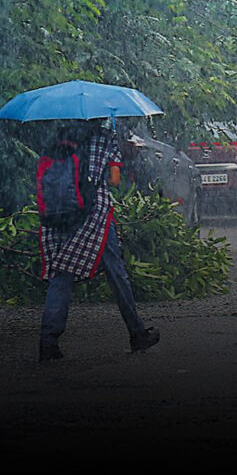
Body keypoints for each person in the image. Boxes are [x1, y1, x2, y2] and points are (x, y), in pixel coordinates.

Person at [38, 120, 159, 361]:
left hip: (60, 213)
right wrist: (97, 179)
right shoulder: (106, 138)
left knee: (62, 273)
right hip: (95, 212)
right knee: (116, 272)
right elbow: (114, 180)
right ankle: (137, 333)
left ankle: (48, 341)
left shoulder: (59, 136)